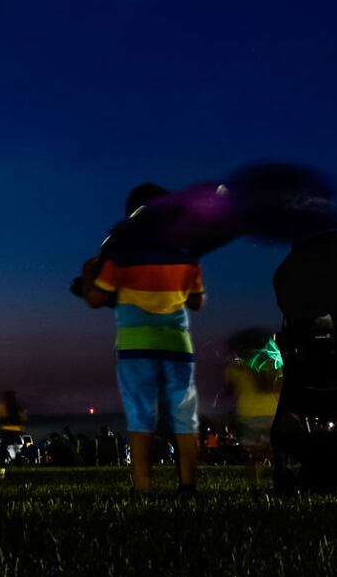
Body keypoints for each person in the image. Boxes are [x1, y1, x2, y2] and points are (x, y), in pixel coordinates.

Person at [78, 185, 206, 494]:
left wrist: (87, 277)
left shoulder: (121, 253)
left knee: (140, 418)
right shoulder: (185, 253)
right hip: (177, 345)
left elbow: (97, 297)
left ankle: (142, 486)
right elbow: (196, 301)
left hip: (135, 347)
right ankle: (187, 485)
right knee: (184, 418)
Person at [223, 329, 283, 484]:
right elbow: (279, 386)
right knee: (273, 451)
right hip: (272, 413)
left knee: (252, 455)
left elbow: (229, 388)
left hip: (248, 414)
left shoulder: (236, 369)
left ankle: (254, 485)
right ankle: (279, 479)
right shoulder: (274, 367)